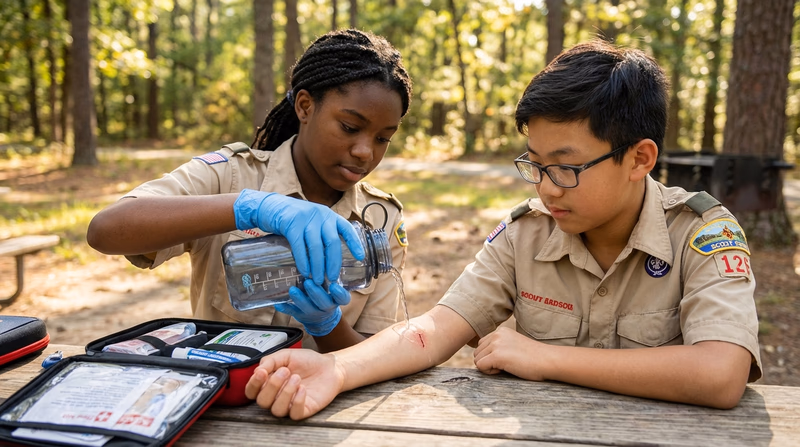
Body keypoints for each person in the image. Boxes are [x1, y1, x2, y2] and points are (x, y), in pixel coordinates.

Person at [243, 40, 762, 418]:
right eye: (534, 164)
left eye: (566, 167)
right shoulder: (525, 235)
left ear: (639, 158)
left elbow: (720, 373)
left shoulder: (699, 231)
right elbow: (433, 330)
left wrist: (547, 358)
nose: (547, 189)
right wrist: (337, 370)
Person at [87, 29, 413, 353]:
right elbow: (105, 230)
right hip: (222, 392)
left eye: (383, 138)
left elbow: (378, 353)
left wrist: (327, 324)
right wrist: (249, 208)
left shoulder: (380, 221)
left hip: (321, 401)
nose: (365, 152)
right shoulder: (230, 176)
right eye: (349, 127)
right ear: (304, 106)